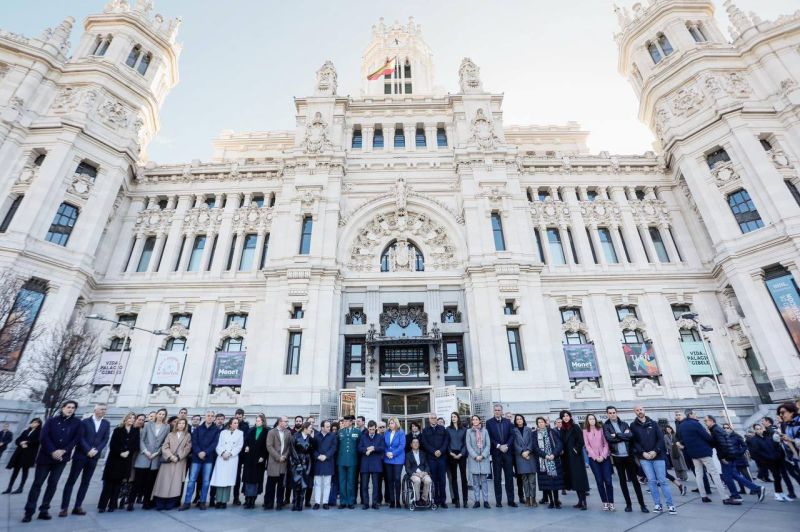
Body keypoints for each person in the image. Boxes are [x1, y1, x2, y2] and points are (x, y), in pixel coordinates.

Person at [22, 400, 82, 523]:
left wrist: (64, 451)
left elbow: (76, 439)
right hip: (45, 457)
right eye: (68, 407)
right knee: (37, 484)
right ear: (63, 408)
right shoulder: (51, 420)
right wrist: (53, 451)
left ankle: (44, 510)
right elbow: (43, 437)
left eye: (73, 408)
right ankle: (29, 511)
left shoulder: (77, 423)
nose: (70, 409)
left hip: (61, 459)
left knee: (53, 484)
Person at [59, 403, 110, 517]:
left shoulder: (106, 423)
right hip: (81, 455)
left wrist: (97, 450)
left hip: (94, 457)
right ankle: (64, 508)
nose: (104, 411)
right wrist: (88, 450)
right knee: (71, 481)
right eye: (101, 409)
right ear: (95, 410)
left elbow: (105, 439)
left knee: (85, 482)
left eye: (105, 409)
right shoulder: (84, 422)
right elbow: (80, 437)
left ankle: (78, 506)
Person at [676, 408, 736, 504]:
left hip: (693, 454)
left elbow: (680, 439)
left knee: (699, 474)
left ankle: (703, 496)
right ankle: (724, 497)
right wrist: (712, 444)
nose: (696, 415)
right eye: (695, 413)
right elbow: (706, 437)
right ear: (690, 414)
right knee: (714, 473)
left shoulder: (681, 426)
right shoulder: (695, 423)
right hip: (703, 452)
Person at [706, 415, 765, 503]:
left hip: (726, 457)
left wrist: (723, 457)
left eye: (706, 421)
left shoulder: (716, 430)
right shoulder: (716, 429)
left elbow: (723, 444)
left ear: (711, 421)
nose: (705, 423)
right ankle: (754, 489)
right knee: (734, 475)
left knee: (727, 477)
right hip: (730, 456)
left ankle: (738, 494)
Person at [630, 405, 675, 514]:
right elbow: (634, 442)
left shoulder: (654, 423)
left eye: (641, 409)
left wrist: (655, 451)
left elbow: (660, 439)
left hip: (658, 456)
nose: (639, 411)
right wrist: (642, 453)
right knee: (651, 481)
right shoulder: (633, 425)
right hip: (644, 458)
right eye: (637, 410)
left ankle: (670, 505)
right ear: (635, 412)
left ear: (644, 410)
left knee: (662, 481)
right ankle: (657, 505)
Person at [603, 406, 648, 513]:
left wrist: (617, 435)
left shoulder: (624, 424)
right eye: (610, 413)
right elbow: (609, 439)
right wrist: (624, 436)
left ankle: (642, 505)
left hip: (629, 456)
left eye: (614, 412)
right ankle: (628, 504)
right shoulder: (606, 426)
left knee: (635, 481)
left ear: (616, 412)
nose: (612, 414)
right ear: (607, 414)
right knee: (623, 481)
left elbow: (631, 436)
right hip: (617, 457)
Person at [98, 413, 139, 513]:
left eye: (133, 418)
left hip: (126, 460)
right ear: (125, 419)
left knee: (118, 485)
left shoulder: (135, 431)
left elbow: (136, 445)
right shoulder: (118, 430)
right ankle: (102, 506)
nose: (131, 420)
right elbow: (112, 445)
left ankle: (112, 505)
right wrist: (120, 452)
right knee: (108, 484)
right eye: (130, 418)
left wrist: (129, 451)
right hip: (114, 460)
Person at [180, 411, 219, 511]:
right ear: (205, 417)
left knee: (206, 481)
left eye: (212, 416)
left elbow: (214, 443)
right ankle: (187, 502)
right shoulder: (198, 429)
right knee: (192, 480)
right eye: (208, 415)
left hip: (208, 459)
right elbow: (194, 442)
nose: (210, 417)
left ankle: (202, 502)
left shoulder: (216, 430)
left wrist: (205, 452)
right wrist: (199, 452)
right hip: (196, 458)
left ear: (214, 418)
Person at [131, 407, 169, 510]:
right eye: (160, 414)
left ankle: (146, 502)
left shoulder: (166, 427)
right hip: (144, 455)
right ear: (156, 414)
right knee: (137, 481)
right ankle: (131, 502)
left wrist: (157, 452)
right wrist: (145, 451)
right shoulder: (148, 425)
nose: (161, 416)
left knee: (150, 482)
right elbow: (141, 439)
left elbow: (165, 442)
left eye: (163, 414)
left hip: (155, 457)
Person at [151, 417, 192, 510]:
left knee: (175, 482)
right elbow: (165, 446)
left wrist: (178, 457)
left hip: (179, 461)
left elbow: (187, 448)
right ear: (176, 424)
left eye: (183, 423)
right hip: (168, 461)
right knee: (163, 481)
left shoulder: (187, 435)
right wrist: (170, 456)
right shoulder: (170, 434)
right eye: (179, 423)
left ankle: (171, 501)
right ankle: (160, 501)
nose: (181, 425)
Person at [485, 404, 516, 507]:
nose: (497, 412)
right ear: (493, 411)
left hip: (507, 453)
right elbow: (489, 437)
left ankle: (511, 500)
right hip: (496, 453)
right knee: (497, 478)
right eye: (495, 410)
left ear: (502, 411)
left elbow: (512, 435)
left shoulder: (508, 421)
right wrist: (498, 446)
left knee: (509, 478)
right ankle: (498, 501)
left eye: (499, 410)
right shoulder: (489, 422)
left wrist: (507, 445)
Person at [558, 410, 590, 510]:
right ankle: (580, 501)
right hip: (567, 457)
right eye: (563, 416)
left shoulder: (575, 426)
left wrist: (576, 449)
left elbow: (581, 440)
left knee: (579, 478)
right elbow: (561, 442)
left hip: (576, 457)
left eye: (567, 415)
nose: (566, 417)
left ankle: (584, 502)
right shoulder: (562, 429)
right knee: (574, 479)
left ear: (570, 416)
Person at [748, 423, 788, 501]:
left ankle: (780, 493)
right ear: (755, 430)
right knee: (777, 476)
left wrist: (777, 454)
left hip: (775, 459)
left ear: (763, 429)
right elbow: (755, 453)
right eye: (757, 429)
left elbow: (775, 446)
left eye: (760, 428)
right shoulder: (754, 440)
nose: (759, 430)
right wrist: (765, 460)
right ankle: (777, 494)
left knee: (778, 477)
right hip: (767, 461)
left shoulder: (767, 437)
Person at [209, 418, 243, 509]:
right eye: (234, 423)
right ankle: (218, 500)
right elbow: (218, 445)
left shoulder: (240, 433)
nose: (236, 424)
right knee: (220, 480)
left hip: (232, 459)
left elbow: (239, 446)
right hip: (221, 458)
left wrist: (230, 454)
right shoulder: (223, 432)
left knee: (228, 480)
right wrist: (222, 453)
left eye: (237, 423)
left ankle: (224, 501)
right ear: (230, 424)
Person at [583, 413, 614, 511]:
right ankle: (605, 502)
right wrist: (595, 457)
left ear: (595, 420)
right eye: (590, 419)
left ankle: (611, 502)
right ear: (587, 421)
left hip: (605, 458)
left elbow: (606, 443)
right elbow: (587, 445)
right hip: (593, 459)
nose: (592, 420)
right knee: (599, 481)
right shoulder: (585, 431)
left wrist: (603, 456)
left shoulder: (601, 429)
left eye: (593, 419)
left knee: (608, 481)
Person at [532, 416, 563, 509]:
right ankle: (551, 501)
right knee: (547, 482)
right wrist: (545, 455)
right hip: (542, 461)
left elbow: (559, 444)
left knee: (555, 482)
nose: (540, 423)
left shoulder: (552, 432)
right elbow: (535, 447)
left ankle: (556, 501)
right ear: (537, 424)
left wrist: (553, 454)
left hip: (553, 459)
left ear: (545, 423)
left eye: (542, 422)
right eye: (539, 422)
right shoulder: (534, 434)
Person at [3, 418, 41, 494]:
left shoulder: (39, 433)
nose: (33, 423)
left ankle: (21, 488)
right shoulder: (25, 431)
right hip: (19, 453)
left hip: (28, 455)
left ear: (38, 424)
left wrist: (27, 443)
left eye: (35, 422)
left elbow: (37, 442)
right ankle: (9, 487)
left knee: (25, 470)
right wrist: (20, 443)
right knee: (15, 471)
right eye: (32, 422)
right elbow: (17, 440)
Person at [421, 412, 450, 508]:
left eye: (435, 418)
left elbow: (446, 441)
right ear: (429, 419)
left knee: (442, 480)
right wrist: (434, 451)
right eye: (432, 418)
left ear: (436, 419)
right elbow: (425, 443)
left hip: (442, 458)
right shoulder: (425, 430)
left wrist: (441, 451)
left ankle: (443, 501)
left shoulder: (442, 429)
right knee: (434, 479)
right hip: (431, 458)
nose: (433, 419)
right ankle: (435, 500)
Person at [241, 414, 268, 509]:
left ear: (263, 422)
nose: (257, 422)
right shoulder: (251, 430)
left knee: (256, 480)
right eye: (256, 420)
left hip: (259, 459)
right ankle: (247, 499)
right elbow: (246, 441)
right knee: (248, 479)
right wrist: (246, 446)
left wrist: (263, 456)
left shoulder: (266, 431)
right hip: (249, 458)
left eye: (259, 421)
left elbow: (267, 446)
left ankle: (253, 499)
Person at [264, 416, 291, 510]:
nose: (287, 423)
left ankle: (279, 503)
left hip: (283, 462)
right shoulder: (271, 432)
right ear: (280, 422)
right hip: (274, 461)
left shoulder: (288, 432)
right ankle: (268, 503)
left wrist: (285, 456)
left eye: (287, 421)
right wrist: (278, 457)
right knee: (270, 485)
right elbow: (269, 446)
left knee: (281, 485)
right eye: (285, 421)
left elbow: (289, 446)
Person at [358, 420, 385, 509]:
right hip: (365, 464)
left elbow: (382, 448)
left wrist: (374, 448)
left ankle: (375, 503)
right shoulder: (363, 437)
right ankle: (366, 503)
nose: (371, 431)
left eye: (373, 429)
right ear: (368, 428)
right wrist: (366, 449)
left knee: (376, 485)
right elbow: (359, 448)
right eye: (370, 429)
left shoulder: (380, 437)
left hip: (376, 464)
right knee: (364, 485)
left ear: (375, 428)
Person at [465, 415, 491, 508]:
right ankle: (477, 501)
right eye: (473, 419)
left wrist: (483, 455)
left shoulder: (485, 431)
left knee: (484, 481)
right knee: (475, 482)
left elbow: (488, 445)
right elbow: (468, 445)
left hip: (484, 459)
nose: (475, 421)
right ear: (471, 421)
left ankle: (486, 501)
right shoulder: (468, 431)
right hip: (474, 459)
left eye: (476, 419)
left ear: (480, 421)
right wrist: (475, 456)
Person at [512, 414, 537, 507]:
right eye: (517, 419)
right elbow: (514, 443)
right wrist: (522, 452)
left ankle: (533, 498)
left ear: (523, 420)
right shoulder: (513, 431)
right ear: (515, 421)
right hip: (520, 457)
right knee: (525, 480)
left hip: (530, 456)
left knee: (532, 480)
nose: (519, 420)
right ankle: (527, 499)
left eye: (520, 419)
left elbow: (532, 442)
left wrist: (528, 451)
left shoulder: (529, 429)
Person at [287, 421, 312, 511]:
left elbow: (311, 450)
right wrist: (297, 462)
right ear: (305, 428)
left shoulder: (310, 438)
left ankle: (300, 504)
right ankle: (294, 503)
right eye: (310, 428)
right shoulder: (295, 436)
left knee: (304, 484)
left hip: (306, 462)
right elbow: (292, 450)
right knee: (296, 483)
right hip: (296, 462)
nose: (311, 430)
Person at [336, 415, 360, 509]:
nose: (344, 423)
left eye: (346, 421)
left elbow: (360, 445)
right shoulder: (340, 432)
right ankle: (343, 501)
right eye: (343, 421)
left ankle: (350, 501)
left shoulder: (357, 432)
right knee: (342, 482)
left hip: (353, 460)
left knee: (351, 482)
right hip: (341, 460)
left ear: (351, 422)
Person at [312, 419, 337, 510]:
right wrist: (318, 456)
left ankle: (325, 502)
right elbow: (312, 448)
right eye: (327, 427)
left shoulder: (332, 436)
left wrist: (326, 456)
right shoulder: (316, 436)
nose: (329, 428)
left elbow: (334, 448)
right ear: (322, 427)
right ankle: (317, 502)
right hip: (318, 461)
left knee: (327, 483)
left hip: (328, 461)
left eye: (329, 426)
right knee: (317, 483)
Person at [445, 412, 468, 508]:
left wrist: (461, 454)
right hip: (452, 454)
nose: (453, 418)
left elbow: (466, 443)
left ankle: (465, 500)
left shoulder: (464, 429)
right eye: (452, 417)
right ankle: (457, 500)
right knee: (454, 478)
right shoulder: (448, 429)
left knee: (463, 478)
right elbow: (446, 443)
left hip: (461, 454)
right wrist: (450, 452)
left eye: (455, 416)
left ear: (458, 417)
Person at [383, 416, 405, 508]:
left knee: (397, 479)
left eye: (392, 423)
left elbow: (402, 446)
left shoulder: (401, 432)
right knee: (390, 479)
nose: (390, 425)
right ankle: (392, 500)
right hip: (388, 459)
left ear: (396, 423)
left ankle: (398, 500)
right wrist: (386, 453)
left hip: (398, 459)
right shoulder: (386, 433)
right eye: (389, 423)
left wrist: (393, 453)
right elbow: (383, 445)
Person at [405, 437, 432, 504]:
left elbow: (427, 465)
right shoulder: (408, 455)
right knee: (417, 480)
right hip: (414, 474)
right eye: (414, 442)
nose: (415, 444)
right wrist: (415, 474)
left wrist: (425, 472)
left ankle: (424, 499)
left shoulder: (423, 454)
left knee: (428, 480)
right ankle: (417, 500)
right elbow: (407, 468)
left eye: (417, 442)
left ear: (419, 444)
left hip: (423, 473)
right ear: (411, 445)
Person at [230, 408, 249, 506]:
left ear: (243, 417)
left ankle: (236, 497)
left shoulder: (245, 426)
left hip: (240, 454)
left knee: (238, 476)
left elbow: (245, 438)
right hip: (230, 454)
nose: (238, 419)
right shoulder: (229, 425)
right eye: (236, 417)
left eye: (240, 417)